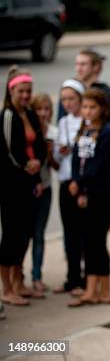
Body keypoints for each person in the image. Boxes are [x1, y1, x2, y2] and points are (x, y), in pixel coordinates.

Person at [67, 88, 110, 307]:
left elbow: (100, 165)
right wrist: (76, 182)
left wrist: (82, 184)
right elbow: (77, 159)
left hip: (102, 193)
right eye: (85, 107)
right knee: (89, 241)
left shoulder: (108, 133)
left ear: (103, 109)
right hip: (85, 192)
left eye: (92, 107)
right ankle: (91, 289)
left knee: (97, 241)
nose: (88, 111)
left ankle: (104, 290)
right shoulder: (84, 130)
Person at [0, 66, 46, 306]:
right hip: (11, 184)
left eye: (29, 91)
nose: (26, 96)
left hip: (29, 181)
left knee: (24, 235)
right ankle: (6, 288)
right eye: (21, 91)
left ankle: (19, 281)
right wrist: (26, 165)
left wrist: (37, 170)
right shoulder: (8, 115)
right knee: (10, 235)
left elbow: (39, 144)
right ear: (11, 91)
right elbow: (9, 150)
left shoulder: (29, 113)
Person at [53, 79, 86, 296]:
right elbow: (56, 158)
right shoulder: (63, 123)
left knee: (82, 232)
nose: (67, 103)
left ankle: (84, 278)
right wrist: (59, 152)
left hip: (81, 184)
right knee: (69, 234)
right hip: (65, 182)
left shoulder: (86, 122)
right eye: (64, 99)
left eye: (71, 99)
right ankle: (71, 277)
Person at [30, 93, 58, 293]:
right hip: (27, 189)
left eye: (47, 109)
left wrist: (52, 153)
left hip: (46, 187)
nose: (43, 113)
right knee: (22, 235)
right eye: (39, 109)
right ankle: (16, 275)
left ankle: (36, 276)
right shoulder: (27, 132)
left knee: (39, 234)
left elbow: (56, 166)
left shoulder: (54, 133)